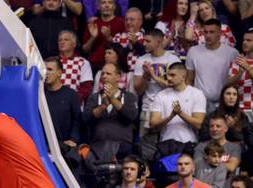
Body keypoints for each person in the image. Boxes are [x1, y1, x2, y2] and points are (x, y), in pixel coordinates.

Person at [134, 28, 180, 160]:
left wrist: (153, 76)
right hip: (148, 108)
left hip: (169, 110)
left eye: (148, 41)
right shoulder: (141, 60)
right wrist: (145, 75)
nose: (144, 44)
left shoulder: (172, 59)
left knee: (169, 149)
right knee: (146, 152)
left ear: (158, 42)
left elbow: (175, 86)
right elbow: (138, 90)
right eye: (144, 40)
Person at [83, 62, 138, 161]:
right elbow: (87, 117)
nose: (104, 76)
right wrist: (103, 106)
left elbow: (132, 115)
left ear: (118, 77)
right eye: (102, 73)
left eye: (108, 74)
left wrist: (112, 100)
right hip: (97, 146)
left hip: (123, 147)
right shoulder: (94, 97)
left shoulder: (129, 96)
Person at [149, 62, 206, 155]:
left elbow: (198, 124)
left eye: (172, 75)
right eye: (168, 75)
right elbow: (153, 125)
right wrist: (171, 116)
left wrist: (180, 113)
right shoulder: (161, 95)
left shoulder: (197, 94)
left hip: (189, 143)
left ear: (183, 76)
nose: (169, 78)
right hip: (165, 144)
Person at [185, 19, 239, 111]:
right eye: (205, 32)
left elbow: (235, 81)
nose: (208, 35)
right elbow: (189, 79)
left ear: (220, 33)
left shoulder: (232, 53)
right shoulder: (193, 51)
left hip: (223, 103)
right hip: (200, 103)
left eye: (212, 32)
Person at [44, 57, 83, 150]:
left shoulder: (71, 95)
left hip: (64, 147)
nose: (46, 73)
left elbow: (77, 121)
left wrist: (73, 139)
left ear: (59, 73)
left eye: (50, 69)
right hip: (42, 146)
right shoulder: (38, 94)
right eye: (44, 69)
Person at [194, 113, 242, 179]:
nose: (214, 129)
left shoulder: (234, 147)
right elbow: (198, 166)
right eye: (211, 126)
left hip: (226, 187)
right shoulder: (201, 146)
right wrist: (222, 165)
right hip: (206, 186)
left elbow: (231, 167)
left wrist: (208, 162)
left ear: (226, 129)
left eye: (218, 126)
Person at [82, 0, 125, 70]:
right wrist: (93, 37)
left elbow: (124, 49)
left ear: (114, 6)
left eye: (110, 3)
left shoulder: (122, 23)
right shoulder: (92, 24)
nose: (107, 5)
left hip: (115, 65)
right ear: (98, 6)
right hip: (94, 64)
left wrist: (109, 38)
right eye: (103, 3)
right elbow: (85, 50)